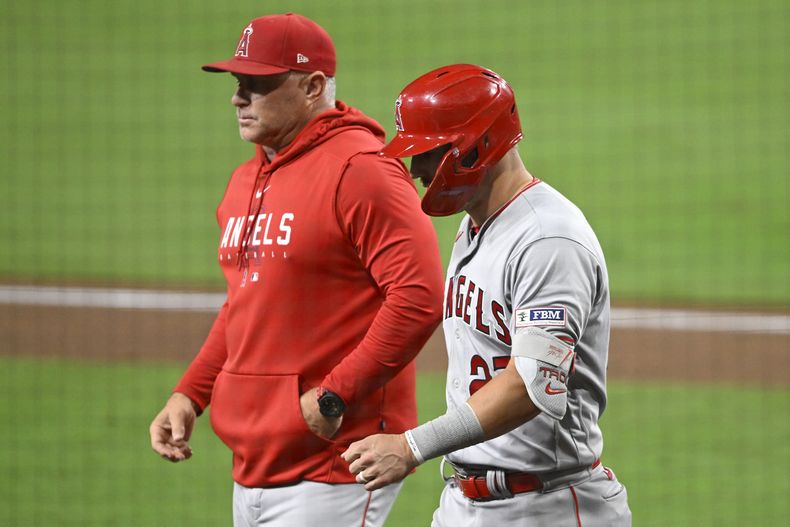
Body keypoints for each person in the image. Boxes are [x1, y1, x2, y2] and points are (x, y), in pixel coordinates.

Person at [148, 13, 444, 527]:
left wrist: (336, 393)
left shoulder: (361, 169)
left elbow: (419, 295)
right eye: (239, 84)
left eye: (258, 85)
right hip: (255, 460)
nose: (238, 99)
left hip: (335, 463)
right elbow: (247, 302)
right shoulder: (245, 180)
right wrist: (191, 394)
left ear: (312, 87)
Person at [343, 64, 632, 526]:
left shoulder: (547, 240)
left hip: (545, 506)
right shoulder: (475, 223)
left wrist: (410, 447)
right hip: (464, 500)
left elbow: (530, 385)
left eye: (429, 154)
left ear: (478, 145)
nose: (417, 172)